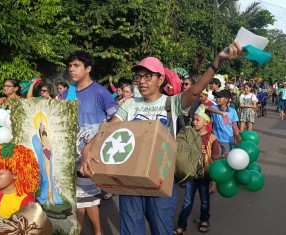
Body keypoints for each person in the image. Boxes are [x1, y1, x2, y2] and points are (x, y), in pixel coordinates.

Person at [81, 42, 242, 235]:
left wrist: (216, 62)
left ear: (161, 80)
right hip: (130, 182)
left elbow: (195, 90)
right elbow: (108, 128)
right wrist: (87, 149)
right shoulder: (130, 104)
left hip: (161, 181)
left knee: (161, 229)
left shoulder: (171, 103)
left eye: (148, 76)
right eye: (139, 76)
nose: (142, 81)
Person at [61, 50, 119, 235]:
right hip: (70, 156)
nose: (71, 69)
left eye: (76, 65)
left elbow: (115, 120)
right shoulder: (65, 95)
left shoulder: (101, 93)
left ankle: (95, 231)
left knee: (87, 198)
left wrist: (99, 143)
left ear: (88, 68)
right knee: (80, 199)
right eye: (70, 65)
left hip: (91, 155)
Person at [174, 105, 220, 234]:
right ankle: (182, 225)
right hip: (191, 176)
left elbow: (214, 157)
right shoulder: (189, 135)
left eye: (197, 119)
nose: (194, 122)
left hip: (205, 176)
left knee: (205, 200)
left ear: (206, 122)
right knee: (187, 201)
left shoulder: (212, 138)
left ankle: (204, 220)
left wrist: (214, 182)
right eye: (193, 119)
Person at [211, 90, 241, 155]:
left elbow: (235, 127)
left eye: (219, 97)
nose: (217, 99)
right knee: (216, 158)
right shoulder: (214, 108)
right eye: (217, 97)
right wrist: (221, 113)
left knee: (225, 159)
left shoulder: (232, 111)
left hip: (228, 141)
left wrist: (239, 140)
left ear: (226, 100)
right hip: (216, 140)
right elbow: (206, 108)